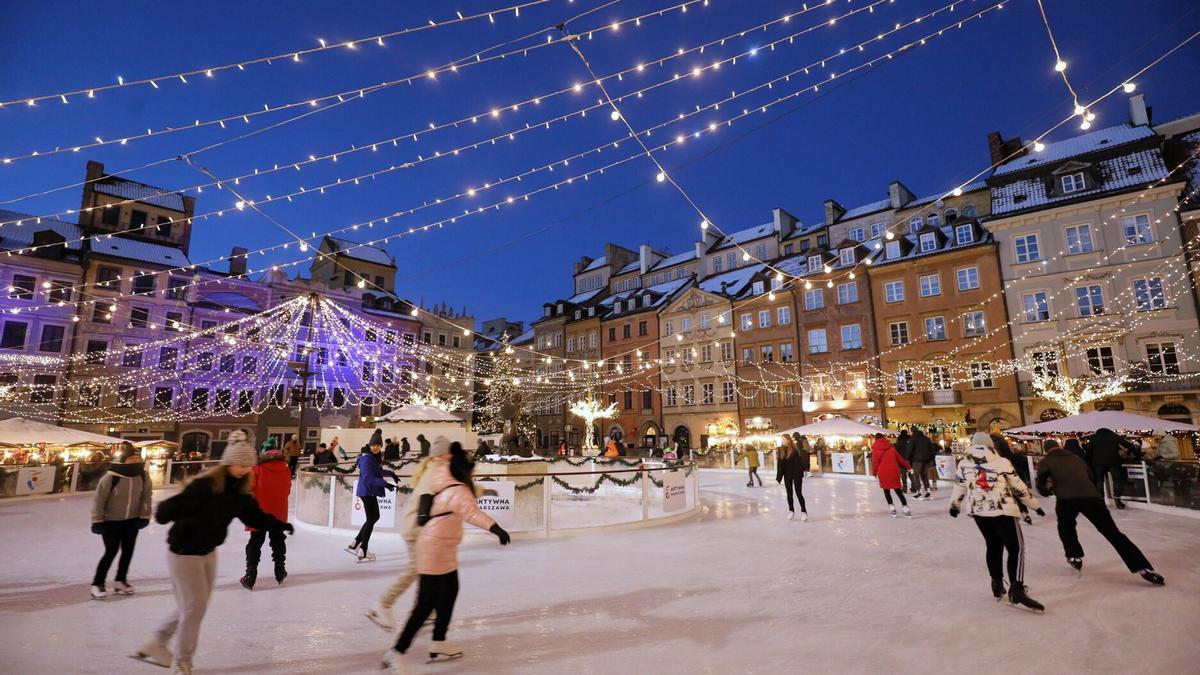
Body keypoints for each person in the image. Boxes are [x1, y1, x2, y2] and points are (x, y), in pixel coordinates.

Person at [132, 431, 293, 674]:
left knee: (195, 606)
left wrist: (280, 524)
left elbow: (253, 515)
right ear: (228, 462)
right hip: (184, 552)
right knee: (194, 608)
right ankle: (182, 661)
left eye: (248, 465)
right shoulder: (205, 486)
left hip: (208, 551)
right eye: (240, 464)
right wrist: (167, 513)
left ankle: (157, 642)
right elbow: (169, 507)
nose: (244, 470)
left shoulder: (239, 491)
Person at [382, 442, 511, 671]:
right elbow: (471, 512)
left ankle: (439, 641)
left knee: (450, 591)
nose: (473, 474)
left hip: (442, 547)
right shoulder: (457, 490)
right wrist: (496, 528)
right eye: (472, 470)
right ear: (464, 470)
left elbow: (469, 495)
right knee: (425, 604)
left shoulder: (446, 478)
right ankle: (397, 652)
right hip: (434, 549)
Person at [1035, 438, 1164, 585]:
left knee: (1066, 527)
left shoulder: (1046, 461)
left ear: (1046, 450)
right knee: (1112, 532)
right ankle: (1142, 567)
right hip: (1092, 498)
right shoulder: (1076, 459)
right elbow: (1090, 476)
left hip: (1066, 499)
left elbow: (1041, 485)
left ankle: (1074, 555)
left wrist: (1048, 490)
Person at [949, 433, 1045, 611]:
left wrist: (955, 505)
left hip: (979, 512)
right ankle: (1016, 588)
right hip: (1003, 511)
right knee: (1016, 548)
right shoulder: (1001, 462)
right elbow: (1018, 487)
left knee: (993, 545)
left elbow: (959, 485)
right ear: (990, 445)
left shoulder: (964, 463)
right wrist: (1034, 505)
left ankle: (997, 583)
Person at [367, 436, 452, 630]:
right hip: (417, 529)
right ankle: (383, 605)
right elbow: (429, 498)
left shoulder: (433, 467)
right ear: (443, 454)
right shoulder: (437, 471)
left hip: (419, 528)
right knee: (417, 569)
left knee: (429, 570)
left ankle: (427, 609)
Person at [90, 445, 153, 599]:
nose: (136, 461)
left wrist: (144, 516)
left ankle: (120, 580)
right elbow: (99, 500)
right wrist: (97, 520)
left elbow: (146, 496)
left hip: (132, 521)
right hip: (111, 521)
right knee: (111, 551)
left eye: (138, 458)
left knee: (128, 550)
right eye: (132, 458)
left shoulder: (143, 476)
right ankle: (97, 583)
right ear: (124, 460)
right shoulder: (111, 477)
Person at [240, 443, 292, 590]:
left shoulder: (257, 468)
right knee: (278, 539)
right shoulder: (286, 469)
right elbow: (287, 490)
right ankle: (280, 571)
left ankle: (250, 575)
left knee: (256, 541)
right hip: (278, 511)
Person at [347, 430, 396, 562]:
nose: (376, 448)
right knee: (372, 518)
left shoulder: (373, 457)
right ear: (370, 445)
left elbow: (378, 471)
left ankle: (356, 542)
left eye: (378, 446)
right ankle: (363, 548)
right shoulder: (366, 458)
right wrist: (385, 484)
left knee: (373, 517)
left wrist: (391, 474)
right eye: (374, 445)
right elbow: (369, 478)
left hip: (368, 491)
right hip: (366, 491)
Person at [1085, 428, 1141, 509]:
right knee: (1117, 480)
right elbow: (1129, 445)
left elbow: (1088, 450)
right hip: (1113, 461)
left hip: (1098, 463)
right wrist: (1137, 456)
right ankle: (1117, 501)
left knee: (1099, 481)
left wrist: (1089, 460)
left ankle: (1101, 502)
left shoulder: (1094, 437)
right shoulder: (1113, 436)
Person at [991, 431, 1033, 525]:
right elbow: (1008, 455)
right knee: (1014, 492)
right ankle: (1024, 512)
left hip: (992, 471)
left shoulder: (988, 442)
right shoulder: (1002, 441)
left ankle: (1001, 515)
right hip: (1005, 468)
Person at [871, 434, 911, 518]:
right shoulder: (891, 448)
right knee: (898, 490)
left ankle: (892, 508)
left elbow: (875, 463)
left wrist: (874, 473)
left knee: (886, 490)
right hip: (894, 471)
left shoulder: (875, 450)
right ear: (884, 438)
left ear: (876, 439)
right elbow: (900, 459)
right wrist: (908, 467)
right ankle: (906, 508)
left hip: (883, 472)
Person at [776, 435, 808, 521]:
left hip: (796, 474)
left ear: (788, 440)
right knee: (789, 494)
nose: (782, 440)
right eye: (781, 439)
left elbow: (798, 464)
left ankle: (804, 512)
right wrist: (779, 477)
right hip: (787, 475)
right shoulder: (780, 450)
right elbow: (780, 465)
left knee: (798, 493)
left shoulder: (795, 450)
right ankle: (791, 510)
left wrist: (798, 475)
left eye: (783, 439)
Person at [909, 428, 934, 500]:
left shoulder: (913, 439)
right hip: (926, 461)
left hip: (917, 460)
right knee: (924, 476)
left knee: (916, 475)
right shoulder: (927, 439)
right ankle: (928, 490)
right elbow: (931, 450)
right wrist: (930, 459)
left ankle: (918, 492)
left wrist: (907, 459)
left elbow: (909, 449)